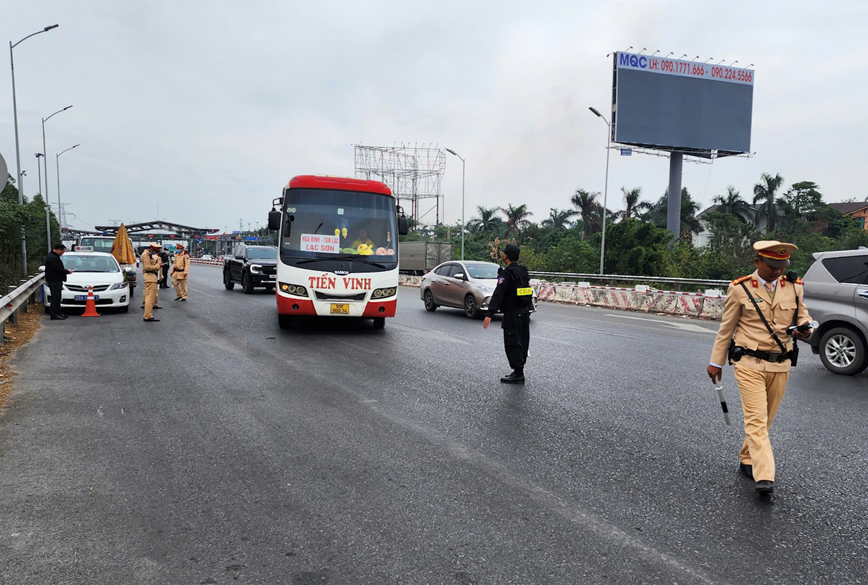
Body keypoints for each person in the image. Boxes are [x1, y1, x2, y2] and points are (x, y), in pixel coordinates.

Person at [707, 240, 813, 495]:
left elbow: (803, 319)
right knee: (756, 419)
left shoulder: (794, 288)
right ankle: (764, 474)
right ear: (758, 262)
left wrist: (805, 330)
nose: (777, 271)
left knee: (766, 421)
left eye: (782, 266)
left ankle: (746, 457)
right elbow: (727, 329)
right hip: (748, 363)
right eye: (772, 266)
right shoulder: (740, 288)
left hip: (780, 364)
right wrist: (716, 361)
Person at [483, 243, 533, 383]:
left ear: (505, 256)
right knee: (522, 340)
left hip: (512, 312)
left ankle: (518, 373)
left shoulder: (507, 273)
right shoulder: (523, 271)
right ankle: (519, 369)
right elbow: (525, 291)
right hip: (524, 312)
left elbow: (499, 294)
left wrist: (489, 314)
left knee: (512, 341)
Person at [44, 243, 73, 320]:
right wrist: (67, 271)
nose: (62, 254)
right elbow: (58, 270)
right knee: (55, 298)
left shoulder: (53, 256)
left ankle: (58, 313)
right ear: (58, 250)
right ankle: (54, 314)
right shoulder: (53, 258)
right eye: (62, 252)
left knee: (57, 298)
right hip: (54, 280)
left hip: (56, 280)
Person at [141, 243, 163, 322]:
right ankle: (148, 316)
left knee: (149, 298)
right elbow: (147, 267)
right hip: (150, 277)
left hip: (150, 277)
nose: (154, 252)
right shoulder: (146, 255)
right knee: (150, 298)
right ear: (151, 249)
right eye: (154, 250)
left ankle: (148, 315)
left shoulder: (147, 255)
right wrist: (158, 266)